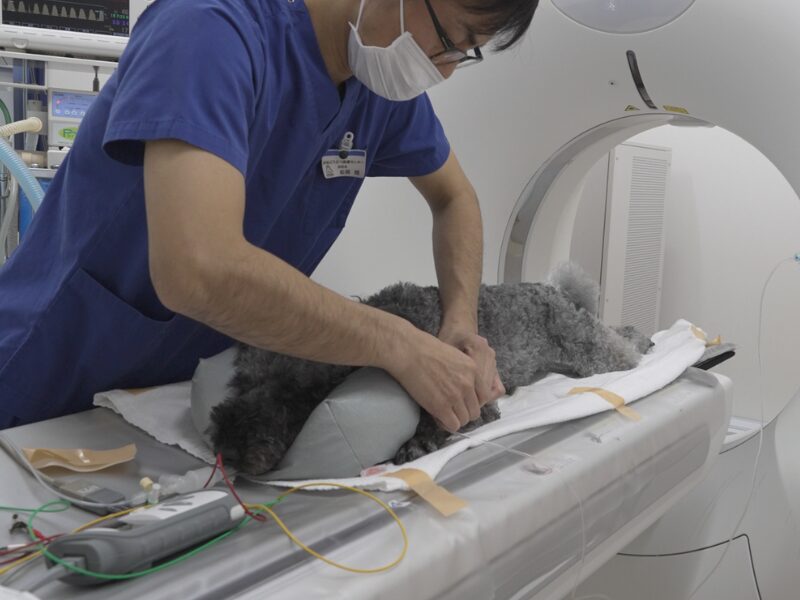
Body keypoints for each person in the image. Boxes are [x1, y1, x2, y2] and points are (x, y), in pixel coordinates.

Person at [0, 0, 538, 431]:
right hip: (42, 383)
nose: (444, 70)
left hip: (167, 403)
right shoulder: (209, 30)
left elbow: (455, 198)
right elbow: (197, 270)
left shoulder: (376, 89)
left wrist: (460, 324)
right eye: (449, 40)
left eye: (466, 53)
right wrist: (397, 343)